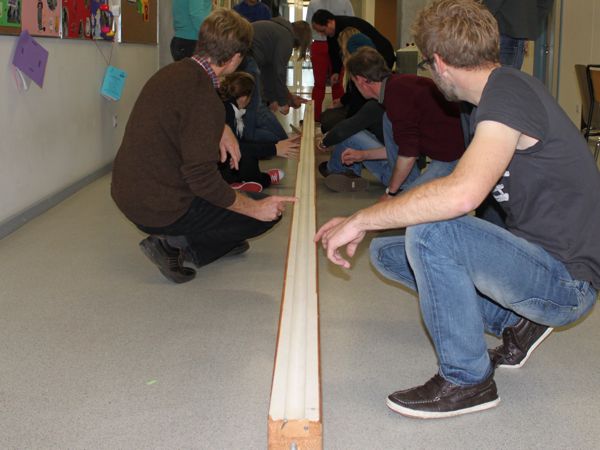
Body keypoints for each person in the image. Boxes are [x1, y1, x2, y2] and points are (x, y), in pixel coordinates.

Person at [315, 0, 600, 419]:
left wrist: (362, 218)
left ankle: (468, 380)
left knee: (431, 232)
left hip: (568, 282)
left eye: (427, 65)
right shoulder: (489, 98)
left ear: (440, 63)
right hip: (537, 260)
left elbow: (463, 194)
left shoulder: (508, 94)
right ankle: (516, 325)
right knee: (388, 251)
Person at [112, 9, 296, 284]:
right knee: (268, 212)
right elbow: (202, 180)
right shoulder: (205, 99)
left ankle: (214, 238)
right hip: (158, 206)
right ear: (235, 58)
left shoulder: (172, 72)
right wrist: (254, 209)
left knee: (234, 206)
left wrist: (221, 127)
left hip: (128, 192)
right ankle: (175, 245)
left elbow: (184, 114)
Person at [321, 47, 465, 195]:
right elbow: (399, 149)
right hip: (440, 155)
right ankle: (402, 185)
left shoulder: (397, 97)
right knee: (379, 124)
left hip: (452, 160)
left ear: (361, 80)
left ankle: (403, 187)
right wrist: (363, 155)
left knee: (413, 202)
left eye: (354, 83)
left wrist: (391, 192)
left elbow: (408, 155)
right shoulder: (396, 87)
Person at [218, 71, 301, 191]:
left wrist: (275, 146)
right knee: (251, 161)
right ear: (244, 97)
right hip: (219, 167)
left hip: (224, 161)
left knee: (251, 152)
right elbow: (239, 147)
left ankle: (240, 181)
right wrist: (274, 149)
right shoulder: (229, 112)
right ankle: (259, 179)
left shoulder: (229, 107)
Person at [238, 17, 312, 142]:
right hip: (246, 56)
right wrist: (283, 103)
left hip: (243, 56)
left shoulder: (277, 31)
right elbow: (279, 72)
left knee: (253, 104)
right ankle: (275, 141)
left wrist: (274, 99)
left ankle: (251, 140)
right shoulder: (286, 37)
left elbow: (269, 72)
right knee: (257, 105)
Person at [310, 9, 396, 89]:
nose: (322, 34)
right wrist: (336, 71)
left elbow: (359, 59)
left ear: (329, 22)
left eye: (323, 31)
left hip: (382, 54)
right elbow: (334, 52)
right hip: (370, 58)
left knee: (372, 87)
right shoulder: (331, 33)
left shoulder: (348, 28)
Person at [305, 0, 354, 123]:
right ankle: (337, 117)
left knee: (321, 85)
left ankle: (317, 118)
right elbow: (351, 24)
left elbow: (309, 26)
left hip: (328, 44)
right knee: (334, 84)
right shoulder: (345, 2)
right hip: (333, 44)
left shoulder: (313, 3)